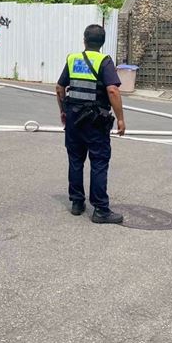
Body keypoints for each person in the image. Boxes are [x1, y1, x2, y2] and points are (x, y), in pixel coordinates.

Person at [55, 24, 126, 224]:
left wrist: (62, 111)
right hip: (95, 122)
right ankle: (101, 210)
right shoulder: (104, 61)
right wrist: (120, 118)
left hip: (73, 119)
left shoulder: (73, 59)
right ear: (102, 42)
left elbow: (60, 88)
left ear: (84, 40)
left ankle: (77, 203)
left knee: (75, 160)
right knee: (99, 161)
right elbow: (112, 90)